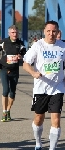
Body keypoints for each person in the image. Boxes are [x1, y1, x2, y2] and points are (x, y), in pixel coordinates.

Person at [23, 20, 65, 150]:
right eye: (48, 31)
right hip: (41, 88)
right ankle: (38, 143)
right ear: (44, 31)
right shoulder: (38, 45)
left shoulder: (62, 46)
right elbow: (25, 63)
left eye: (54, 31)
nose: (51, 34)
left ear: (58, 32)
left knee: (56, 119)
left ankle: (52, 148)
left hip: (57, 87)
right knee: (38, 118)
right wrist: (33, 73)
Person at [0, 25, 26, 122]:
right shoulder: (4, 42)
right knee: (5, 90)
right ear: (9, 33)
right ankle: (4, 112)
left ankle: (8, 110)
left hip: (14, 70)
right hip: (4, 68)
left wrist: (21, 56)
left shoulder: (20, 43)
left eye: (16, 32)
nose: (14, 34)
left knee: (12, 93)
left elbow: (25, 52)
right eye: (12, 32)